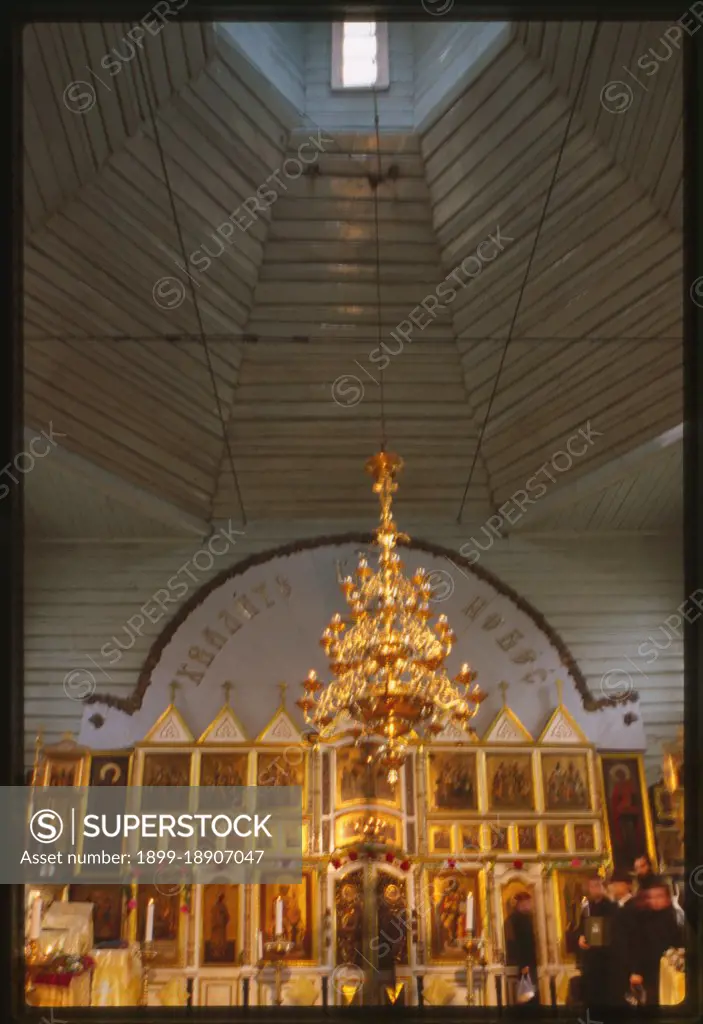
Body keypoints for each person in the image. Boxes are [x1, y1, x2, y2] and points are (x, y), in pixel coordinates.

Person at [629, 877, 683, 1006]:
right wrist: (636, 971)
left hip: (670, 974)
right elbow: (637, 948)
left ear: (668, 897)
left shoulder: (676, 918)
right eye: (651, 897)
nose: (654, 901)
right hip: (648, 974)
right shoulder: (642, 919)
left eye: (659, 896)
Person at [577, 876, 617, 1009]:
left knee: (605, 999)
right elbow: (581, 927)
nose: (594, 889)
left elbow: (615, 931)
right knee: (591, 998)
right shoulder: (586, 906)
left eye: (597, 885)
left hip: (606, 960)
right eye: (592, 886)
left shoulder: (611, 906)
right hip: (590, 960)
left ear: (602, 886)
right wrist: (581, 937)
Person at [607, 869, 637, 1005]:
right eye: (612, 883)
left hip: (630, 967)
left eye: (617, 883)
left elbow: (638, 941)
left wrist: (636, 970)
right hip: (616, 965)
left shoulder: (635, 907)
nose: (613, 886)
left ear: (628, 885)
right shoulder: (615, 907)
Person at [505, 892, 540, 1006]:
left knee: (530, 994)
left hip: (529, 962)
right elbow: (520, 944)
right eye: (526, 903)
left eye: (529, 902)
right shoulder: (517, 919)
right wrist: (524, 964)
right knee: (527, 996)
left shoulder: (527, 918)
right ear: (519, 904)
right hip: (524, 962)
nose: (529, 905)